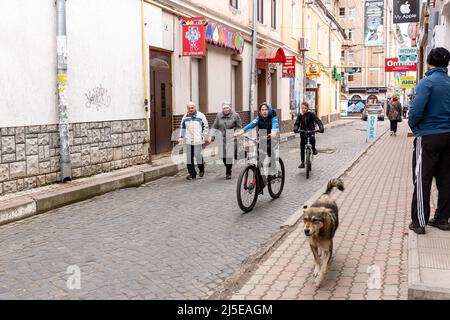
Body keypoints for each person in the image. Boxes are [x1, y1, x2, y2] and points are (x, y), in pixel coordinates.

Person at [408, 47, 450, 235]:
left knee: (422, 178)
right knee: (446, 179)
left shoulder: (426, 83)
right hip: (449, 136)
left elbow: (416, 111)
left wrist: (416, 128)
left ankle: (419, 222)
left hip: (428, 136)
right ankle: (442, 218)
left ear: (429, 62)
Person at [235, 102, 279, 192]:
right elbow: (251, 124)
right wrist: (241, 131)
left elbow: (275, 124)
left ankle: (274, 169)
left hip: (272, 136)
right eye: (262, 110)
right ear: (260, 111)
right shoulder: (259, 118)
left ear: (269, 110)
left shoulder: (273, 116)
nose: (264, 111)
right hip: (262, 136)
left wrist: (274, 132)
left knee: (270, 149)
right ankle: (261, 182)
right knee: (259, 159)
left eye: (266, 110)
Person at [209, 102, 242, 180]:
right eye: (224, 108)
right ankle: (228, 166)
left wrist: (236, 133)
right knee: (223, 156)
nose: (226, 109)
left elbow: (239, 127)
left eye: (227, 108)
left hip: (231, 138)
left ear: (230, 108)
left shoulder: (235, 115)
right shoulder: (219, 115)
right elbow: (215, 126)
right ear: (222, 109)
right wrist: (212, 136)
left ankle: (228, 172)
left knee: (229, 155)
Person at [179, 102, 209, 180]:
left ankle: (201, 169)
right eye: (189, 108)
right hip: (189, 140)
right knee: (189, 158)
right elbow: (182, 127)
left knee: (198, 156)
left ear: (195, 108)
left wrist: (204, 136)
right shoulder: (185, 117)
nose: (191, 109)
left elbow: (206, 126)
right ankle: (192, 174)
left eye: (192, 108)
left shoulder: (201, 116)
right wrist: (181, 137)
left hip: (198, 140)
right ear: (187, 109)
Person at [293, 102, 324, 169]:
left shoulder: (312, 114)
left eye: (305, 108)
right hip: (303, 132)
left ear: (307, 108)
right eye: (302, 108)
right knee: (302, 146)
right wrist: (295, 128)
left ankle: (313, 148)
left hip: (311, 131)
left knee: (312, 140)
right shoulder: (300, 115)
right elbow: (297, 123)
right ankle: (302, 163)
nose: (303, 109)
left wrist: (321, 128)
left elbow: (318, 121)